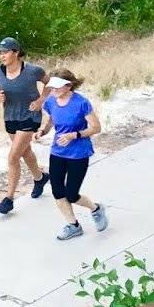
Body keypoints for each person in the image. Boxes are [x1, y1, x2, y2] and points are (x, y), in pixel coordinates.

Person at [34, 69, 108, 241]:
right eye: (52, 87)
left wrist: (73, 135)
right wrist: (42, 131)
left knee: (72, 194)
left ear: (68, 86)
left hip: (79, 154)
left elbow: (96, 127)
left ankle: (96, 209)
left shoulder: (81, 103)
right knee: (58, 192)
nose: (54, 90)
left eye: (58, 87)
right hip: (57, 152)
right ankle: (73, 225)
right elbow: (51, 120)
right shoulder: (51, 101)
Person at [0, 37, 48, 215]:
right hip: (10, 117)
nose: (2, 56)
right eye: (0, 53)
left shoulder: (32, 70)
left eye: (5, 52)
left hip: (30, 116)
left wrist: (40, 100)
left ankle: (8, 199)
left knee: (13, 157)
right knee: (25, 151)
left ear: (16, 52)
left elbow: (50, 83)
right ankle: (40, 178)